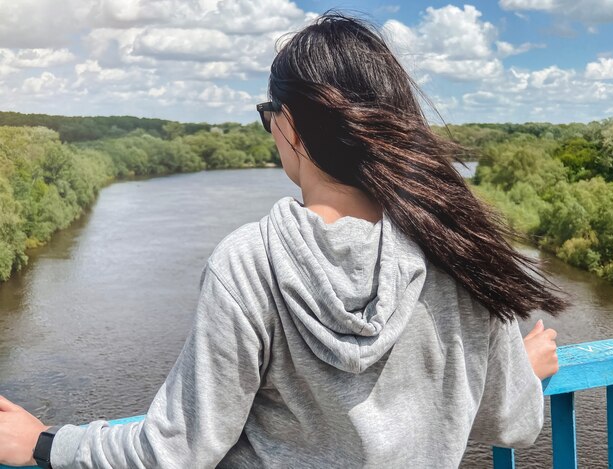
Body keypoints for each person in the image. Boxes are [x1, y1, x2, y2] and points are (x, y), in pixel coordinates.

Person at [0, 12, 563, 469]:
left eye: (268, 115)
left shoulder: (251, 264)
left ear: (290, 126)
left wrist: (46, 443)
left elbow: (176, 451)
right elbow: (510, 424)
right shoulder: (458, 246)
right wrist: (518, 365)